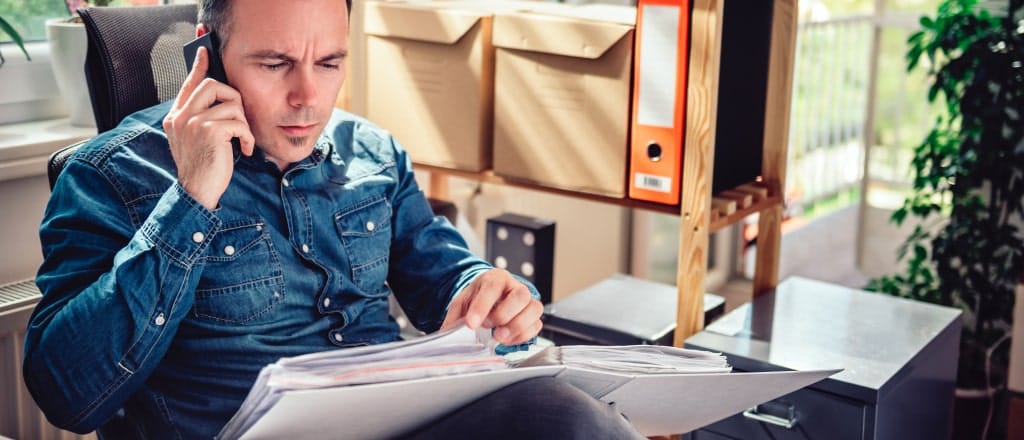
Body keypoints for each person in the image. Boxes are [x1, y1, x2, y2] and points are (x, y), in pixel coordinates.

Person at [24, 0, 646, 438]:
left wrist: (483, 289)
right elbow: (67, 396)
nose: (309, 98)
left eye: (329, 63)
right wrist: (191, 200)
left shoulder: (372, 152)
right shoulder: (111, 174)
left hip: (399, 419)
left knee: (566, 413)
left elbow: (442, 275)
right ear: (205, 54)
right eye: (275, 64)